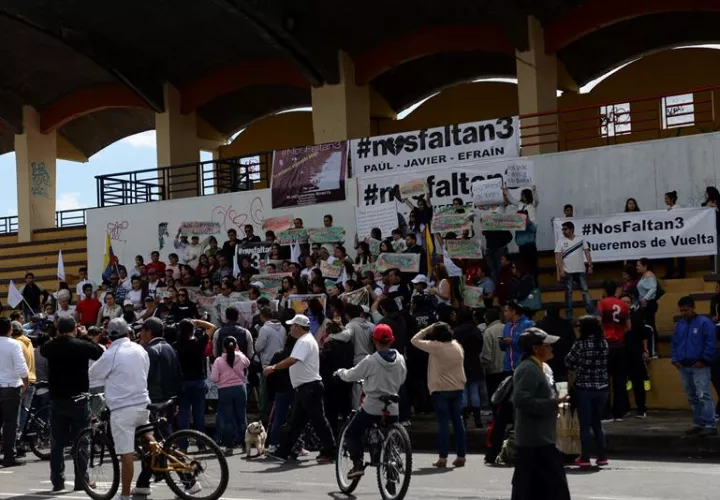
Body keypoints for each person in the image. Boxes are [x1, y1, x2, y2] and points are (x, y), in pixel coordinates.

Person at [89, 318, 151, 500]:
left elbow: (93, 373)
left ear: (110, 334)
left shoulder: (111, 353)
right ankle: (144, 485)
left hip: (122, 410)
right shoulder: (140, 349)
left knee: (126, 455)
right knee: (150, 446)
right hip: (143, 404)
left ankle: (124, 495)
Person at [335, 324, 407, 479]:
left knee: (352, 433)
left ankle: (357, 464)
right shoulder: (400, 359)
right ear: (392, 340)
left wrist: (341, 372)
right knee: (390, 438)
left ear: (374, 340)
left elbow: (352, 375)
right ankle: (391, 471)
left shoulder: (371, 360)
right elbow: (402, 378)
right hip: (393, 406)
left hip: (372, 406)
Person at [41, 317, 104, 491]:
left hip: (57, 399)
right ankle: (81, 480)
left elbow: (44, 348)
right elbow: (98, 351)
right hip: (79, 399)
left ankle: (57, 481)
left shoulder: (51, 346)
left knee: (57, 443)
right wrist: (83, 337)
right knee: (82, 442)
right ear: (75, 328)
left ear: (58, 329)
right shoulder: (80, 345)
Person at [264, 315, 336, 463]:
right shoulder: (306, 340)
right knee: (295, 422)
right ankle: (283, 451)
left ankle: (331, 450)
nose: (290, 329)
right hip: (305, 387)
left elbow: (293, 359)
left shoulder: (304, 341)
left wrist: (274, 367)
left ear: (298, 327)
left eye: (292, 326)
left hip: (309, 387)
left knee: (317, 422)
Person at [511, 327, 570, 500]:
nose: (552, 348)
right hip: (535, 440)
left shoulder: (539, 368)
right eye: (547, 345)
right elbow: (520, 400)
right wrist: (553, 403)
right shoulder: (528, 369)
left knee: (534, 488)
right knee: (553, 487)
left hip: (540, 438)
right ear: (536, 348)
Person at [134, 317, 183, 496]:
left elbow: (144, 378)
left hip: (154, 402)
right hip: (169, 401)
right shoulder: (170, 348)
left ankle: (188, 480)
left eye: (142, 331)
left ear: (148, 332)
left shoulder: (148, 351)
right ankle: (144, 481)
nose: (140, 335)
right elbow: (178, 375)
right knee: (158, 443)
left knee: (157, 443)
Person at [411, 322, 467, 468]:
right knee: (458, 423)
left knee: (443, 424)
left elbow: (414, 340)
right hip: (458, 388)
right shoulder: (457, 345)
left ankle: (443, 458)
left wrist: (428, 328)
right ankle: (461, 456)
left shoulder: (436, 347)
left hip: (440, 389)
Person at [565, 316, 610, 467]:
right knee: (597, 423)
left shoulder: (580, 344)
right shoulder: (603, 343)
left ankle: (584, 457)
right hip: (602, 387)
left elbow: (568, 361)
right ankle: (602, 456)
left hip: (584, 387)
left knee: (584, 424)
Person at [672, 296, 717, 436]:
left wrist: (704, 360)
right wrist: (675, 360)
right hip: (683, 366)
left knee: (703, 395)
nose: (684, 313)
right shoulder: (680, 325)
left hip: (699, 365)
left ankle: (710, 425)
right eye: (682, 310)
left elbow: (710, 343)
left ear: (693, 308)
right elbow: (675, 344)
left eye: (686, 310)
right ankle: (699, 423)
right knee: (692, 397)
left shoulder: (705, 323)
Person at [174, 318, 216, 434]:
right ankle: (202, 442)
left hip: (183, 382)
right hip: (198, 381)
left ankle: (183, 443)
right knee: (199, 413)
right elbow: (212, 327)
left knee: (184, 413)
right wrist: (196, 321)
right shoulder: (199, 343)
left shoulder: (176, 345)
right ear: (192, 331)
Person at [596, 281, 630, 422]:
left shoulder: (602, 303)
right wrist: (620, 334)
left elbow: (598, 321)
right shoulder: (622, 305)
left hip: (607, 345)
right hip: (620, 345)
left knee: (605, 380)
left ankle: (606, 413)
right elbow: (628, 326)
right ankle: (619, 413)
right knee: (620, 380)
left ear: (605, 291)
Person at [211, 336, 251, 456]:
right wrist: (238, 351)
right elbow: (248, 363)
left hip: (225, 391)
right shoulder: (240, 356)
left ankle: (229, 446)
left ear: (223, 347)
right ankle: (245, 444)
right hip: (240, 388)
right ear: (236, 345)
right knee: (241, 417)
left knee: (228, 419)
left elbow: (213, 378)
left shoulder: (218, 361)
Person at [0, 317, 29, 467]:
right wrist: (26, 383)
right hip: (11, 387)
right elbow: (22, 368)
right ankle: (8, 457)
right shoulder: (14, 344)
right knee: (10, 423)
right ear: (10, 330)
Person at [555, 220, 594, 319]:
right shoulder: (561, 241)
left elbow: (587, 252)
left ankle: (591, 312)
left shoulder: (580, 239)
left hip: (581, 270)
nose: (563, 231)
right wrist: (561, 270)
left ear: (571, 229)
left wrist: (590, 265)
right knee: (569, 293)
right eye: (562, 229)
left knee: (585, 291)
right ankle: (569, 315)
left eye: (565, 229)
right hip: (567, 271)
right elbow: (558, 256)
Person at [453, 309, 484, 428]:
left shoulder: (457, 331)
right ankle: (478, 420)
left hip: (461, 363)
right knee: (474, 391)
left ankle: (464, 419)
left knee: (463, 391)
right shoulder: (475, 330)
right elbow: (480, 347)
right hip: (474, 362)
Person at [480, 308, 505, 400]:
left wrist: (485, 368)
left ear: (487, 318)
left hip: (493, 370)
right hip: (508, 368)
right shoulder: (507, 328)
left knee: (495, 398)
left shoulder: (488, 332)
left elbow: (487, 354)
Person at [636, 258, 659, 356]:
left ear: (645, 266)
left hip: (649, 303)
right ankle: (649, 349)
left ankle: (653, 350)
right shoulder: (643, 276)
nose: (637, 267)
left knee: (650, 326)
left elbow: (653, 288)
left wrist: (645, 298)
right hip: (644, 303)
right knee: (646, 326)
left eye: (638, 265)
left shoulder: (649, 275)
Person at [662, 190, 686, 279]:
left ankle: (681, 273)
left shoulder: (677, 209)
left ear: (672, 199)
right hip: (670, 235)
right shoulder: (668, 210)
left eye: (666, 198)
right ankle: (670, 272)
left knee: (680, 255)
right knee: (669, 254)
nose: (665, 200)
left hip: (679, 235)